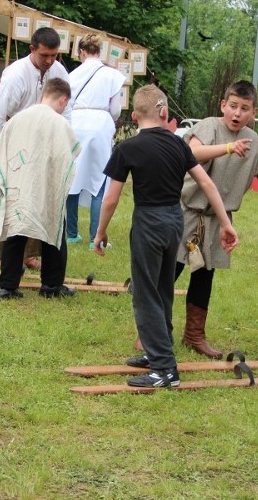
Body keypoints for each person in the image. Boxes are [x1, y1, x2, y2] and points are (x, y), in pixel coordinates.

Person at [94, 85, 239, 388]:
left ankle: (164, 370)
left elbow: (111, 199)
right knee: (162, 289)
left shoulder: (128, 148)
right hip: (175, 219)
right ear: (164, 113)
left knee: (145, 293)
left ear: (133, 116)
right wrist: (226, 223)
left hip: (148, 220)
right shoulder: (179, 145)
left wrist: (101, 231)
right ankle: (156, 350)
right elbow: (207, 184)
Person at [171, 81, 258, 358]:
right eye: (233, 106)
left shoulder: (253, 140)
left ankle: (194, 335)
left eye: (245, 109)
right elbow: (192, 153)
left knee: (204, 276)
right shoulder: (209, 126)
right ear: (223, 105)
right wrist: (228, 147)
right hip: (188, 213)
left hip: (217, 221)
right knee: (169, 272)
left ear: (253, 111)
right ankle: (149, 332)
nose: (237, 113)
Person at [0, 27, 71, 270]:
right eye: (44, 56)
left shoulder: (59, 72)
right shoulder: (16, 74)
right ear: (32, 49)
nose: (49, 61)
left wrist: (65, 146)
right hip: (15, 142)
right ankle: (3, 255)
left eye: (54, 55)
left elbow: (67, 110)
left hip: (44, 145)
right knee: (12, 198)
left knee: (38, 198)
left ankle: (31, 254)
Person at [0, 78, 79, 299]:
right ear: (63, 99)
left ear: (43, 95)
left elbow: (0, 148)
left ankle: (7, 286)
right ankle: (51, 285)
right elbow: (68, 156)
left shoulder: (17, 119)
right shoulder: (60, 124)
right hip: (47, 187)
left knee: (16, 233)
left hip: (19, 186)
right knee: (54, 231)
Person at [65, 34, 126, 250]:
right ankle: (95, 237)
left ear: (81, 52)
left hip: (76, 121)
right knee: (100, 181)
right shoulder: (112, 75)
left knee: (72, 177)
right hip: (100, 124)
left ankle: (71, 233)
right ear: (100, 51)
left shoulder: (71, 74)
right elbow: (116, 110)